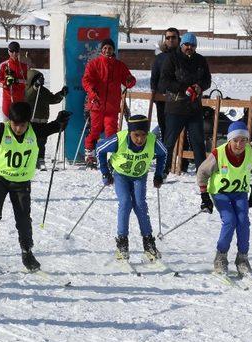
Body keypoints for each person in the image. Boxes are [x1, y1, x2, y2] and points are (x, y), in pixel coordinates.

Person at [0, 102, 71, 271]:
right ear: (10, 121)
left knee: (23, 218)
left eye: (22, 125)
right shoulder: (1, 130)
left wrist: (62, 121)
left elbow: (54, 127)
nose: (18, 129)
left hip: (21, 182)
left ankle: (27, 253)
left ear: (28, 122)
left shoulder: (34, 130)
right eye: (15, 124)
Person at [197, 121, 252, 276]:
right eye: (235, 140)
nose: (239, 144)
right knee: (230, 220)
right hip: (220, 193)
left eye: (243, 140)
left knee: (243, 221)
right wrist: (204, 196)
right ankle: (220, 257)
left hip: (240, 193)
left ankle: (242, 258)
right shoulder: (218, 154)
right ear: (229, 140)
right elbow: (202, 172)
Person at [97, 115, 167, 261]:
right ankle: (122, 243)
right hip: (120, 175)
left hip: (139, 176)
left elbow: (163, 153)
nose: (140, 139)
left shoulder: (153, 141)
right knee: (125, 203)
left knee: (140, 205)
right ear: (130, 133)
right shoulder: (119, 139)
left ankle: (148, 243)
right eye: (136, 135)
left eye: (143, 135)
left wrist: (159, 175)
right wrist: (105, 172)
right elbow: (100, 149)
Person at [158, 32, 211, 178]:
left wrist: (200, 87)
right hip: (176, 107)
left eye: (192, 45)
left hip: (194, 109)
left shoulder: (200, 60)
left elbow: (207, 80)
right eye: (187, 45)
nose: (189, 47)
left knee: (198, 142)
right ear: (182, 45)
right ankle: (163, 170)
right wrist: (183, 88)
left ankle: (202, 173)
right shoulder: (172, 59)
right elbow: (165, 81)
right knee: (169, 142)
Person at [82, 38, 136, 168]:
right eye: (105, 48)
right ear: (101, 49)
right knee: (94, 131)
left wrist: (130, 80)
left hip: (112, 106)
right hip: (97, 104)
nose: (107, 50)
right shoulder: (94, 64)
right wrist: (92, 91)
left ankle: (112, 157)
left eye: (110, 48)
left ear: (113, 50)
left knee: (112, 133)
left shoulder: (119, 65)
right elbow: (86, 80)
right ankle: (90, 155)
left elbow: (128, 80)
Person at [25, 68, 68, 171]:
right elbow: (28, 97)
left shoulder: (44, 91)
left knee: (41, 141)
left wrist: (61, 94)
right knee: (30, 141)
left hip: (43, 121)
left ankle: (40, 159)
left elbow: (52, 99)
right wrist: (35, 86)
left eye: (41, 79)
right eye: (37, 79)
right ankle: (29, 159)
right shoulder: (28, 90)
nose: (40, 81)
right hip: (32, 121)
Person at [150, 27, 180, 142]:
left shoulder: (183, 57)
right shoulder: (159, 58)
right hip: (162, 99)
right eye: (168, 38)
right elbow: (154, 77)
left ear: (178, 39)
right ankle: (165, 156)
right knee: (164, 128)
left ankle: (181, 158)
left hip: (179, 100)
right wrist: (154, 92)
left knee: (178, 131)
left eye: (173, 37)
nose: (171, 40)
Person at [0, 41, 29, 120]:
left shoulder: (25, 66)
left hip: (20, 101)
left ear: (19, 51)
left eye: (16, 51)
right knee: (7, 127)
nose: (14, 54)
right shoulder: (4, 65)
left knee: (19, 127)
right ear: (8, 51)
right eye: (12, 51)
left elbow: (28, 82)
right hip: (7, 101)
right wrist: (5, 83)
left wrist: (17, 81)